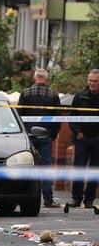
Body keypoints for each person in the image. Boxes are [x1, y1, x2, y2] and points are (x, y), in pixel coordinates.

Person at [18, 68, 61, 208]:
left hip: (28, 137)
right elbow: (57, 119)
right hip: (45, 136)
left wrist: (23, 134)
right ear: (46, 79)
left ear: (34, 78)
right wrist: (52, 135)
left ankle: (22, 196)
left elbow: (19, 116)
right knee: (45, 168)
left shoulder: (25, 93)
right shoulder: (53, 95)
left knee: (27, 166)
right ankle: (48, 198)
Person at [69, 69, 99, 208]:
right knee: (79, 168)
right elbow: (72, 117)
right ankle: (76, 198)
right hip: (82, 139)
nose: (92, 83)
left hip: (97, 140)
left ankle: (89, 200)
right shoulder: (80, 97)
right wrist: (77, 133)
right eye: (90, 80)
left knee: (95, 170)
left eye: (95, 81)